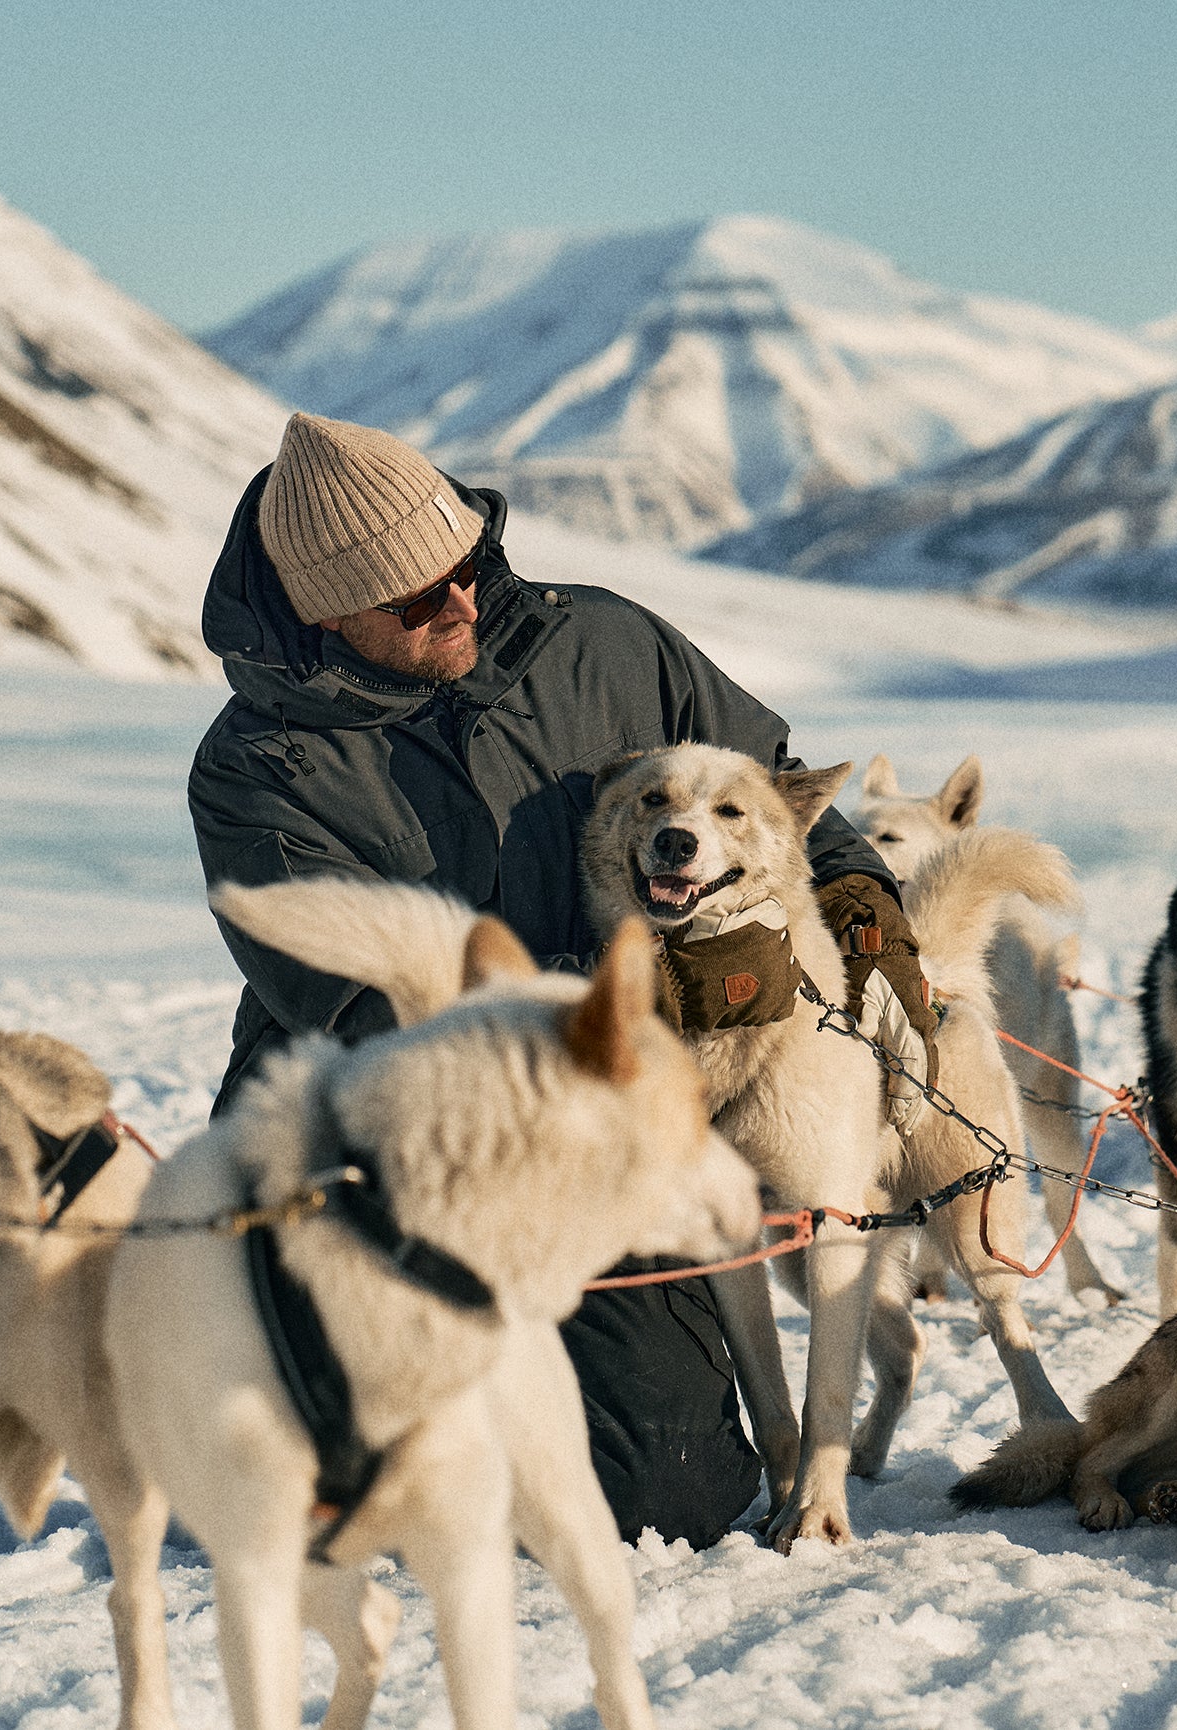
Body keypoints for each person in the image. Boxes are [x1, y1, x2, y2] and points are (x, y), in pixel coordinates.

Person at [186, 412, 925, 1548]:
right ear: (327, 615)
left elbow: (765, 789)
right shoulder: (258, 772)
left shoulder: (610, 647)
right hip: (390, 1143)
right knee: (303, 1478)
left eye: (470, 565)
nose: (464, 603)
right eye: (419, 600)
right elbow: (372, 1009)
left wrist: (863, 902)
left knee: (669, 1492)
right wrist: (629, 1005)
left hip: (613, 1122)